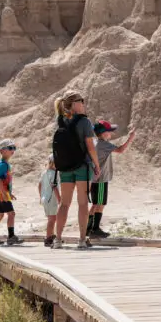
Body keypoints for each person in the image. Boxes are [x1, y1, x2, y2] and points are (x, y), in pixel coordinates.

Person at [51, 91, 100, 250]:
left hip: (65, 168)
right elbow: (90, 147)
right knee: (83, 203)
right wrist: (97, 165)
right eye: (81, 101)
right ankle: (81, 240)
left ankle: (57, 239)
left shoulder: (60, 121)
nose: (84, 104)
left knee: (64, 204)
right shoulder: (84, 122)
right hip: (81, 167)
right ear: (74, 104)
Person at [87, 120, 137, 239]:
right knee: (100, 204)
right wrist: (130, 138)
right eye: (109, 131)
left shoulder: (95, 142)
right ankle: (95, 229)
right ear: (103, 133)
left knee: (95, 204)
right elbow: (120, 150)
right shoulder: (104, 144)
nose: (111, 134)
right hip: (101, 179)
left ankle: (88, 228)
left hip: (94, 179)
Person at [0, 139, 22, 246]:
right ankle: (11, 237)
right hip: (1, 194)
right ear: (2, 151)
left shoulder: (0, 164)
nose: (13, 151)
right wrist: (4, 194)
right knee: (11, 214)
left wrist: (9, 193)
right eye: (10, 148)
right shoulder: (3, 165)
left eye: (13, 148)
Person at [38, 155, 61, 247]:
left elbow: (39, 185)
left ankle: (51, 235)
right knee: (52, 219)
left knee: (50, 218)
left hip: (45, 198)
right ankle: (48, 238)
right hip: (52, 199)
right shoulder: (55, 174)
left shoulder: (45, 173)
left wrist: (41, 196)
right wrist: (59, 199)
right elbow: (54, 187)